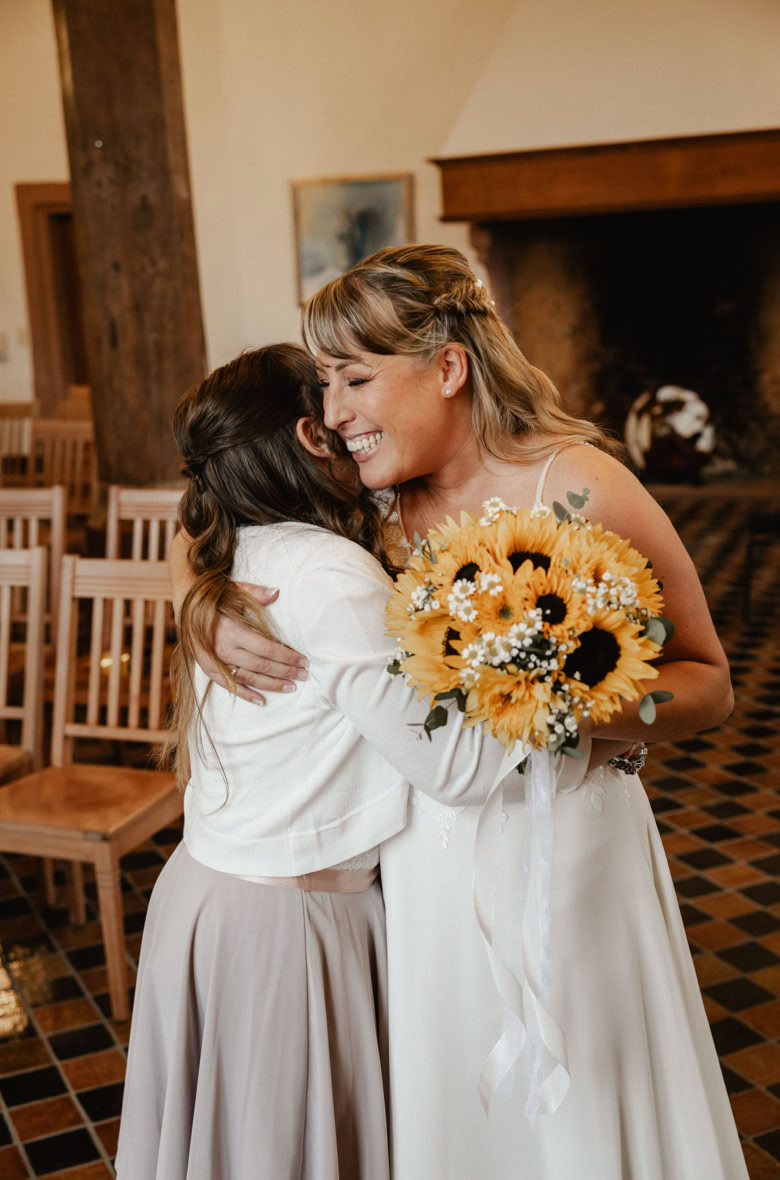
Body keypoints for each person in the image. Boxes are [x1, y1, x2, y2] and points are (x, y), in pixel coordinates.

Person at [169, 246, 746, 1180]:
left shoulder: (580, 485)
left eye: (355, 378)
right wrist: (198, 605)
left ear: (448, 367)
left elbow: (709, 682)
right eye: (324, 383)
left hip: (570, 857)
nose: (333, 413)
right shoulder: (371, 503)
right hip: (420, 871)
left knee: (584, 1112)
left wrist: (558, 710)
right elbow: (213, 501)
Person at [116, 343, 539, 1180]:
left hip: (206, 895)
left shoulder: (232, 546)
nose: (353, 414)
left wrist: (189, 594)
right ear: (313, 436)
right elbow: (453, 770)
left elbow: (188, 523)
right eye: (335, 400)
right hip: (287, 927)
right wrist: (550, 677)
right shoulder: (329, 572)